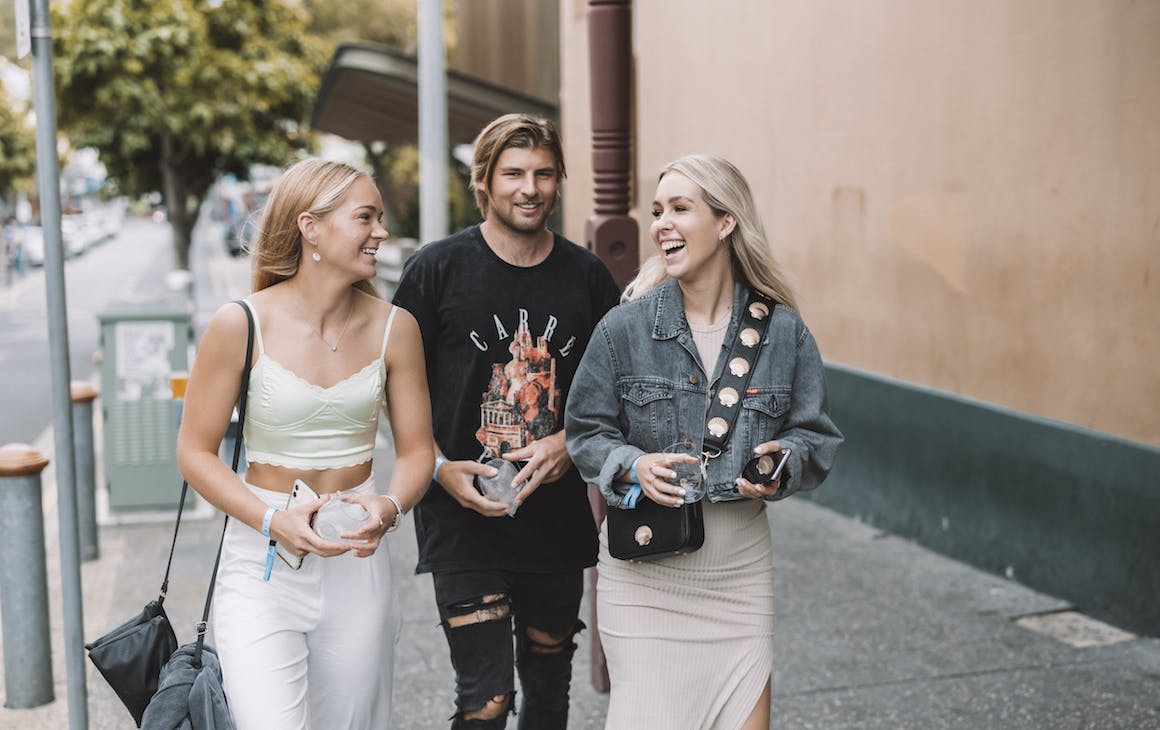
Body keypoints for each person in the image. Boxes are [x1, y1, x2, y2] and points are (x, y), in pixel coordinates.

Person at [565, 155, 844, 729]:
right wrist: (632, 467)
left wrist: (780, 461)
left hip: (738, 578)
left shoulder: (782, 330)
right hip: (645, 581)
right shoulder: (626, 328)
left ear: (725, 222)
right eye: (657, 210)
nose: (662, 222)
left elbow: (814, 435)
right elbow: (586, 431)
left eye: (680, 208)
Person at [176, 158, 433, 729]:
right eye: (365, 218)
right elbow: (194, 452)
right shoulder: (240, 323)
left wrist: (389, 507)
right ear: (310, 228)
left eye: (381, 218)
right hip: (261, 564)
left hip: (356, 563)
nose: (381, 233)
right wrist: (272, 519)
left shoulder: (397, 327)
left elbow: (418, 452)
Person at [391, 113, 621, 729]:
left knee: (548, 692)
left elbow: (615, 392)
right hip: (462, 516)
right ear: (484, 181)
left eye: (544, 174)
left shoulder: (588, 277)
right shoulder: (435, 270)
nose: (530, 187)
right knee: (486, 700)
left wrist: (571, 443)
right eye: (514, 173)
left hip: (555, 518)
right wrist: (435, 469)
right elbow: (392, 387)